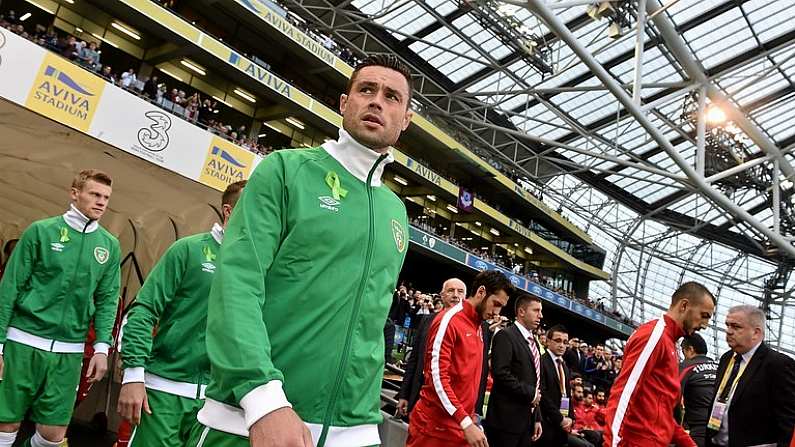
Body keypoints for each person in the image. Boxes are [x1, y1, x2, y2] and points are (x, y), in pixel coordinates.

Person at [184, 54, 413, 447]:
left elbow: (371, 323)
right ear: (344, 104)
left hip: (354, 432)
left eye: (392, 96)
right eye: (366, 90)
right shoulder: (285, 170)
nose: (377, 101)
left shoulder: (397, 211)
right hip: (253, 421)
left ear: (405, 120)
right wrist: (262, 399)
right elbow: (237, 284)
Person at [117, 181, 246, 446]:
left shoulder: (257, 267)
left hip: (217, 402)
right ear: (228, 211)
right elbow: (143, 311)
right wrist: (133, 374)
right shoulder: (188, 250)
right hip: (164, 389)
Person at [0, 169, 120, 447]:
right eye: (94, 194)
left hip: (70, 350)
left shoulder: (109, 246)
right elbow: (9, 289)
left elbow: (107, 299)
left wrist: (102, 347)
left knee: (53, 435)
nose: (101, 202)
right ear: (74, 193)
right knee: (6, 423)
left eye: (106, 197)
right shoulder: (41, 231)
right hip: (23, 341)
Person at [603, 281, 716, 447]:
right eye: (704, 315)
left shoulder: (669, 343)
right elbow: (624, 394)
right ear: (684, 305)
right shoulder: (655, 337)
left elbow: (661, 414)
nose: (705, 325)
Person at [407, 271, 512, 447]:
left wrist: (471, 420)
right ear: (481, 292)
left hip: (460, 428)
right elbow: (437, 377)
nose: (496, 312)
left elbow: (467, 380)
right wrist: (465, 421)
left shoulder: (479, 326)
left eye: (501, 307)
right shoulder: (449, 320)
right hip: (434, 429)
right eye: (495, 304)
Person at [705, 305, 795, 447]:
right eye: (727, 325)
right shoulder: (726, 359)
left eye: (736, 327)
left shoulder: (778, 364)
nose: (728, 331)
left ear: (756, 333)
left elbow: (788, 420)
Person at [396, 278, 466, 418]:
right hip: (419, 394)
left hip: (448, 402)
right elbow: (414, 360)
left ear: (465, 297)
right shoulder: (427, 320)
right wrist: (404, 394)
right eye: (451, 290)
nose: (456, 295)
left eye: (460, 292)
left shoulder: (472, 326)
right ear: (442, 295)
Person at [484, 294, 544, 447]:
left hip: (526, 423)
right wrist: (530, 393)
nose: (540, 315)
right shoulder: (506, 335)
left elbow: (535, 382)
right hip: (504, 422)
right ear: (521, 312)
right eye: (536, 310)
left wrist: (536, 417)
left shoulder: (534, 343)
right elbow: (501, 373)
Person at [538, 324, 592, 447]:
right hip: (546, 424)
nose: (562, 345)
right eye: (557, 341)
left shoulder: (564, 367)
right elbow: (543, 395)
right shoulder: (542, 362)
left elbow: (567, 394)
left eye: (565, 342)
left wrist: (571, 418)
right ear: (547, 342)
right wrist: (560, 419)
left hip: (561, 427)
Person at [678, 334, 717, 447]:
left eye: (683, 351)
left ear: (690, 349)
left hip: (699, 430)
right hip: (723, 428)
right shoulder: (721, 366)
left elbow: (673, 399)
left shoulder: (685, 367)